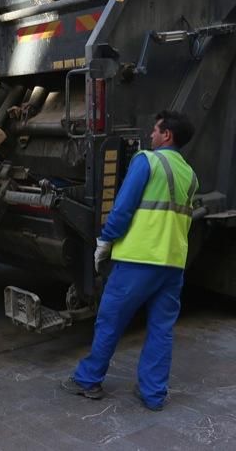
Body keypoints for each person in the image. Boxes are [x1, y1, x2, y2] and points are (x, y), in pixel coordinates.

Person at [62, 110, 198, 411]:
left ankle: (88, 380)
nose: (150, 135)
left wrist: (105, 240)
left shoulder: (147, 162)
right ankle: (153, 394)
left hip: (138, 260)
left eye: (155, 130)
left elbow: (122, 208)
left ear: (167, 136)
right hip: (173, 264)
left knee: (110, 320)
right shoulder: (190, 174)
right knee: (161, 329)